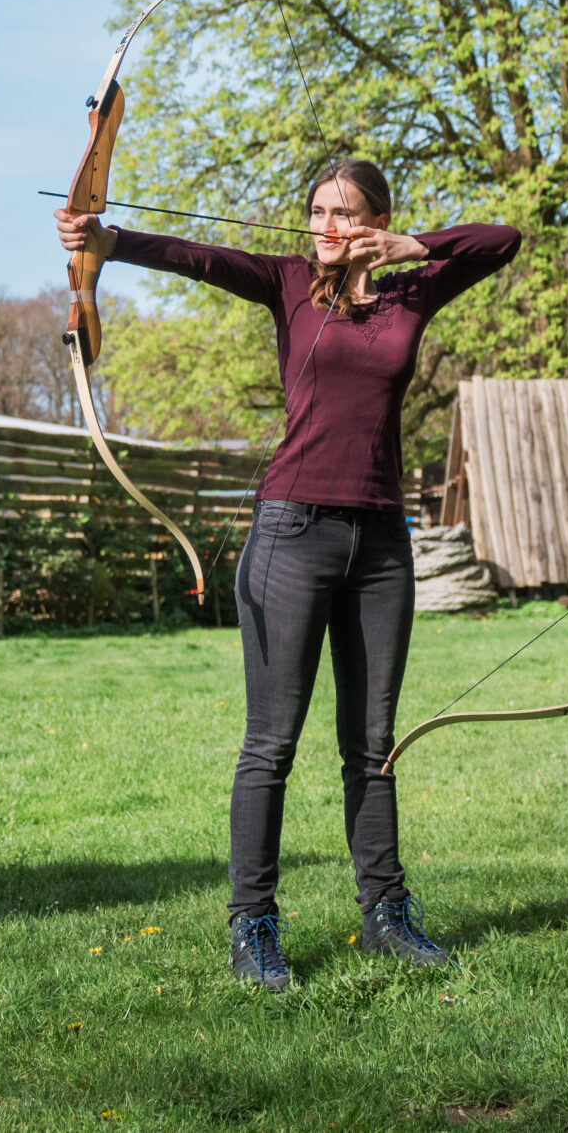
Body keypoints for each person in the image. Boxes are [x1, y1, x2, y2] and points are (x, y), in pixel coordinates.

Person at [53, 160, 519, 992]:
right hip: (292, 530)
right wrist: (106, 241)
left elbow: (502, 240)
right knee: (270, 745)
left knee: (372, 747)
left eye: (345, 214)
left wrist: (411, 246)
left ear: (376, 221)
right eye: (316, 211)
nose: (326, 227)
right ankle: (254, 927)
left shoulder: (412, 292)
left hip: (380, 539)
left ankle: (385, 913)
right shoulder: (289, 282)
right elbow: (195, 256)